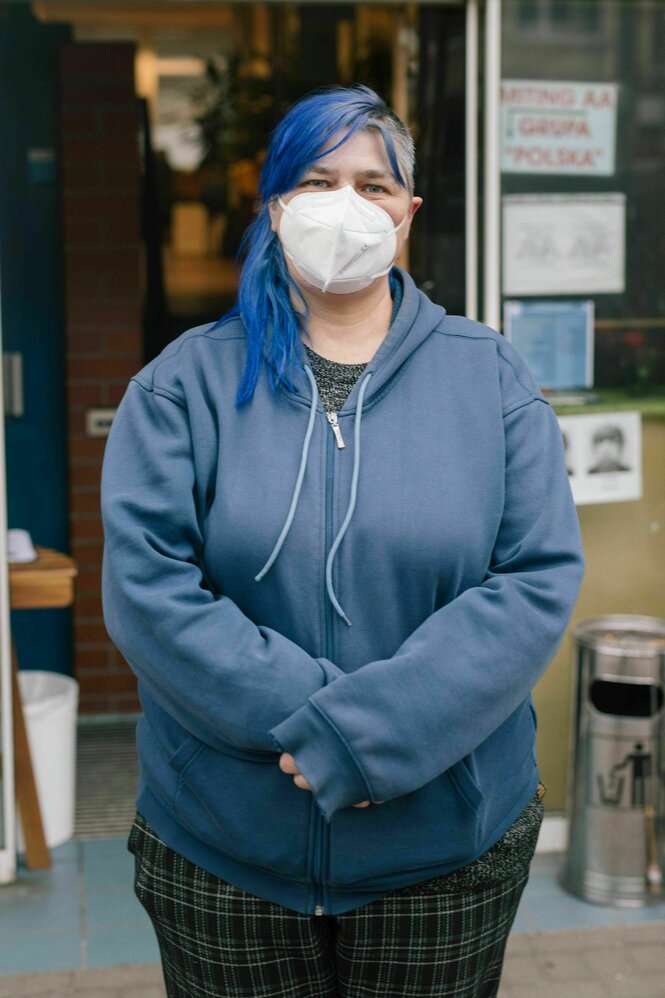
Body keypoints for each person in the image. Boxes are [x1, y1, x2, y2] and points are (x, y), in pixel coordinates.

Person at [101, 84, 585, 998]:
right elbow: (146, 590)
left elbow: (531, 579)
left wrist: (371, 737)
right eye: (318, 180)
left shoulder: (486, 378)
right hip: (224, 852)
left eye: (373, 183)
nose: (346, 205)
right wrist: (325, 727)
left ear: (408, 211)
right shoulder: (182, 386)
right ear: (274, 204)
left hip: (443, 854)